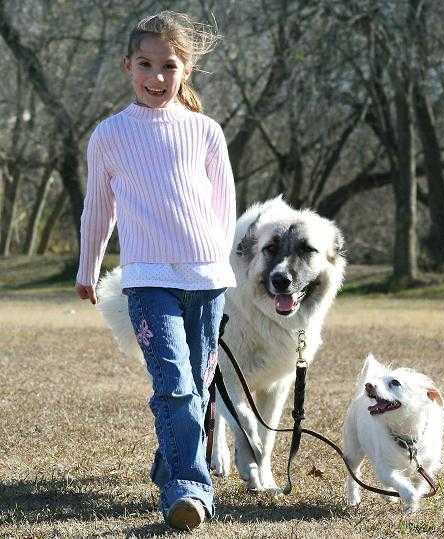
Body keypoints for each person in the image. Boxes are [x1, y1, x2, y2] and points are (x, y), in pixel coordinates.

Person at [75, 11, 236, 531]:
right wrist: (88, 267)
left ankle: (170, 460)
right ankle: (188, 490)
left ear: (186, 69)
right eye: (146, 64)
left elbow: (224, 206)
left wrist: (222, 267)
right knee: (174, 385)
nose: (157, 77)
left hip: (206, 281)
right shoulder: (110, 135)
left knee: (198, 386)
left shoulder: (206, 132)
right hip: (147, 281)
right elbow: (98, 207)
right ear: (127, 66)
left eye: (169, 65)